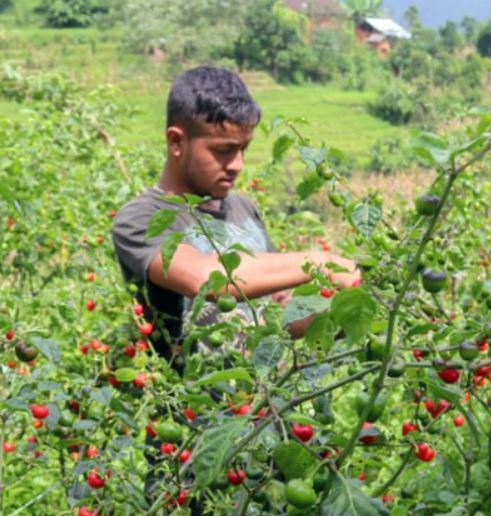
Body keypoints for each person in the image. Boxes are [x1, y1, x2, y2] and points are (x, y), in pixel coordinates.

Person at [111, 65, 360, 373]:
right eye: (223, 151)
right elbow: (207, 279)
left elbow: (277, 318)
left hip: (264, 411)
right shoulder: (140, 219)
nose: (238, 164)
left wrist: (350, 313)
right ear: (177, 142)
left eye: (243, 149)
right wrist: (321, 263)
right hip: (196, 417)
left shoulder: (245, 209)